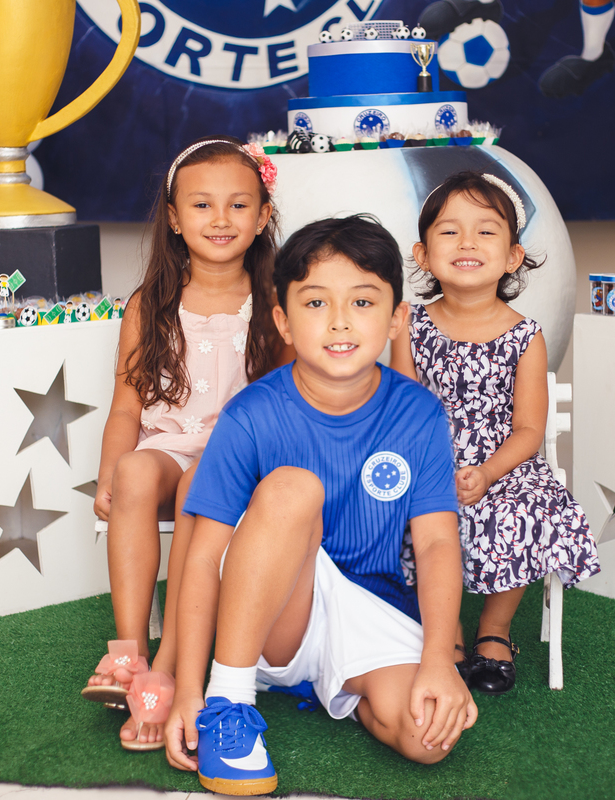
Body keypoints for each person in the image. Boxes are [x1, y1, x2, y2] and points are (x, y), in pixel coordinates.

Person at [164, 215, 476, 795]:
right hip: (274, 619)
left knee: (428, 736)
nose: (339, 321)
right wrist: (188, 689)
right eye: (315, 303)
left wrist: (438, 659)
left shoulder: (419, 413)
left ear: (396, 319)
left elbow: (436, 543)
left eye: (363, 301)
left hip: (368, 607)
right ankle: (230, 701)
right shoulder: (251, 414)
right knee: (293, 488)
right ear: (282, 321)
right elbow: (204, 557)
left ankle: (341, 685)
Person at [81, 136, 286, 751]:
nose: (220, 219)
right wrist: (109, 473)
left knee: (204, 481)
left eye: (238, 205)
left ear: (263, 216)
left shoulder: (276, 302)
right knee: (136, 472)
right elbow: (127, 406)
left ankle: (170, 664)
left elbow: (286, 402)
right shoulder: (150, 305)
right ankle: (128, 654)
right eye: (201, 205)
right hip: (171, 447)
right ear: (173, 217)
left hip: (241, 457)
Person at [390, 171, 600, 695]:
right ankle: (446, 631)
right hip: (427, 457)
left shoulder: (524, 335)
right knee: (396, 506)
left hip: (503, 464)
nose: (467, 242)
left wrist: (486, 473)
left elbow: (529, 429)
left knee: (526, 508)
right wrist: (430, 467)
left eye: (485, 231)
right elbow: (402, 407)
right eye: (449, 231)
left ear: (512, 256)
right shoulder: (409, 326)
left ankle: (494, 630)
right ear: (422, 255)